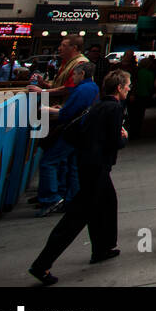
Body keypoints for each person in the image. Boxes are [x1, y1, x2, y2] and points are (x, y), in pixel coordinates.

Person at [28, 69, 131, 285]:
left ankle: (102, 247)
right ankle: (42, 263)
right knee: (77, 217)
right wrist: (124, 137)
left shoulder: (98, 105)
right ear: (119, 88)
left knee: (106, 203)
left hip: (89, 164)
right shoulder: (114, 108)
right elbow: (114, 142)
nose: (129, 88)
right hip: (96, 167)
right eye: (128, 85)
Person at [34, 62, 98, 217]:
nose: (73, 78)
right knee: (73, 165)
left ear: (82, 74)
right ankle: (72, 199)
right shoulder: (93, 87)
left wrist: (48, 110)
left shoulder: (82, 89)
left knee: (49, 162)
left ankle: (51, 198)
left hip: (72, 132)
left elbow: (67, 114)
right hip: (81, 132)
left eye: (74, 75)